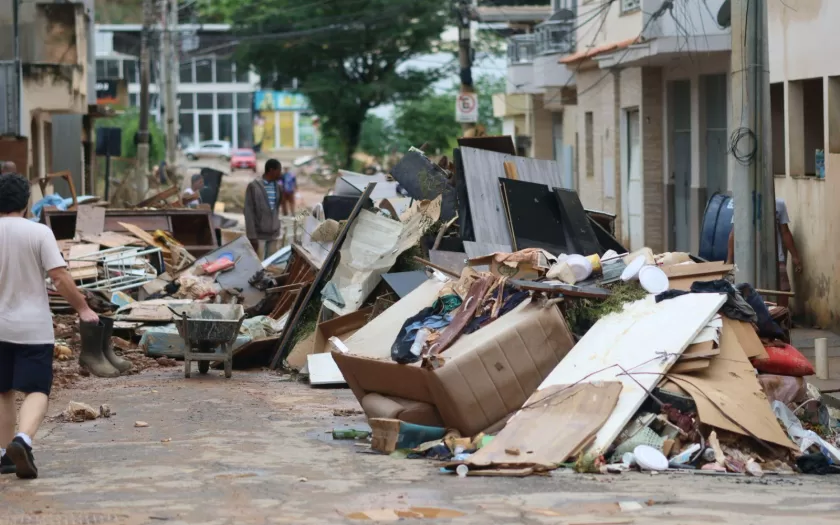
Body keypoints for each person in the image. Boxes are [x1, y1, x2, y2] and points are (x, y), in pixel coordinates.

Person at [0, 173, 99, 479]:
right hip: (32, 328)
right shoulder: (39, 232)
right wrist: (83, 308)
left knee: (2, 391)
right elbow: (59, 277)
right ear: (26, 203)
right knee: (36, 389)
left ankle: (4, 455)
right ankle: (23, 440)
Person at [727, 197, 802, 307]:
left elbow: (785, 232)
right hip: (749, 259)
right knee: (749, 292)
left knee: (783, 291)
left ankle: (781, 315)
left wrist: (795, 256)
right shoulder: (743, 203)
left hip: (776, 257)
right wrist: (729, 260)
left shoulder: (778, 204)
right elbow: (734, 232)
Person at [244, 159, 283, 257]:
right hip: (259, 236)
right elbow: (248, 211)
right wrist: (252, 236)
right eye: (279, 170)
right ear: (271, 170)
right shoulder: (254, 187)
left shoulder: (278, 187)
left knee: (272, 264)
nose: (280, 173)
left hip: (274, 235)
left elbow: (276, 208)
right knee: (258, 262)